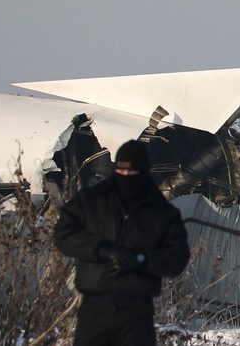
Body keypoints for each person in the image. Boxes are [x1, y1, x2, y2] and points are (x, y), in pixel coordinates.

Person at [54, 140, 191, 346]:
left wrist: (143, 259)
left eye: (132, 174)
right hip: (94, 309)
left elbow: (177, 259)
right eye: (121, 172)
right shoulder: (92, 200)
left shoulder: (162, 213)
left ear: (144, 172)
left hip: (137, 312)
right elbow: (64, 235)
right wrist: (102, 250)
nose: (126, 179)